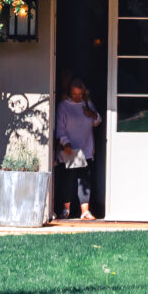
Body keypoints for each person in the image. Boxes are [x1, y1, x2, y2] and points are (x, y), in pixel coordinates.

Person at [54, 79, 100, 221]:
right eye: (74, 94)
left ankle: (85, 211)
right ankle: (65, 210)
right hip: (71, 150)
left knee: (84, 180)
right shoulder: (63, 106)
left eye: (79, 94)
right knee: (69, 180)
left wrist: (92, 114)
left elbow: (97, 121)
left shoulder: (87, 104)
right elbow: (60, 128)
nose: (77, 97)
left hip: (85, 148)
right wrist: (65, 143)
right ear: (69, 92)